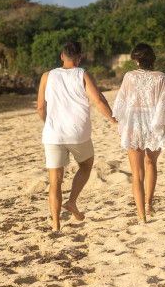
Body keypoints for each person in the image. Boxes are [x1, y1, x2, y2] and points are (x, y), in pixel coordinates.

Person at [37, 41, 116, 232]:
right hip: (77, 132)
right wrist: (114, 121)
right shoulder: (83, 74)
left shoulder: (47, 76)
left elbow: (40, 107)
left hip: (53, 134)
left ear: (62, 56)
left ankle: (56, 226)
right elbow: (98, 100)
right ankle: (72, 201)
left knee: (55, 180)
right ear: (79, 58)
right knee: (86, 165)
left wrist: (49, 124)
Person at [112, 43, 165, 223]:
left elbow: (121, 104)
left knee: (137, 173)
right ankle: (149, 204)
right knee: (151, 164)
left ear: (136, 61)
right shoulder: (162, 77)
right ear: (153, 59)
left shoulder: (129, 76)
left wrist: (121, 128)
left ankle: (142, 217)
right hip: (154, 126)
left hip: (134, 126)